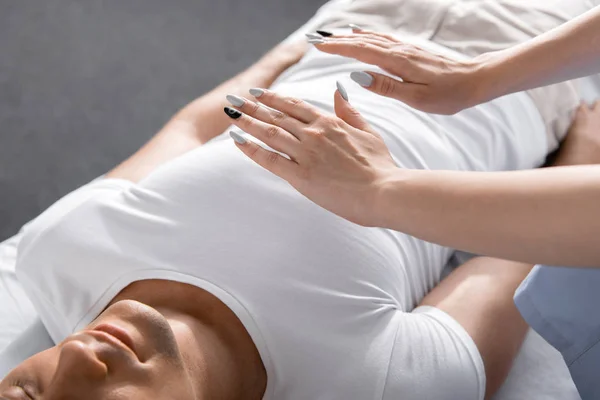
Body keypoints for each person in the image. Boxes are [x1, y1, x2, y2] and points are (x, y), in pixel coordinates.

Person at [1, 3, 588, 400]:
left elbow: (190, 131)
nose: (77, 359)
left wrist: (274, 64)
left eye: (27, 395)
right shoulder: (370, 381)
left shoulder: (56, 255)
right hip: (531, 70)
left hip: (354, 24)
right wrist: (583, 159)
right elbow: (506, 263)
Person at [229, 2, 600, 399]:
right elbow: (504, 268)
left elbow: (196, 124)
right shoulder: (373, 382)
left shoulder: (149, 265)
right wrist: (380, 188)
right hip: (519, 84)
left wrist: (282, 57)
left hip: (354, 33)